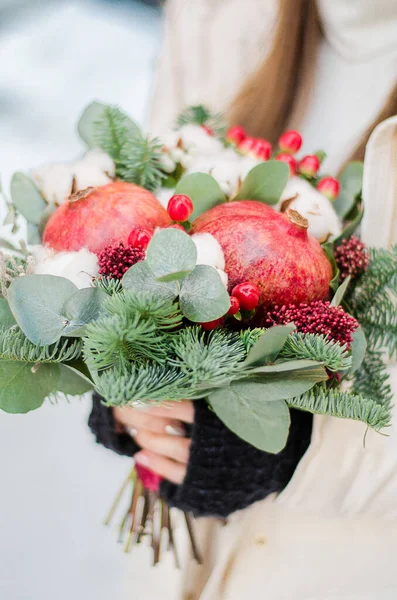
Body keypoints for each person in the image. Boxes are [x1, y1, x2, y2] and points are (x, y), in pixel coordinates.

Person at [89, 1, 397, 598]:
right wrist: (118, 367)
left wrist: (295, 452)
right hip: (176, 564)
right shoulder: (216, 15)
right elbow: (144, 225)